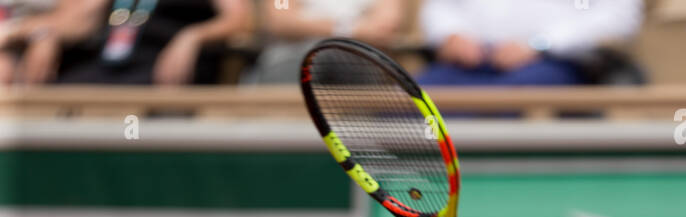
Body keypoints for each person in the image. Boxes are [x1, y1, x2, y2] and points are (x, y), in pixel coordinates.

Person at [10, 0, 251, 86]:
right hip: (106, 67)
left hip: (161, 67)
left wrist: (193, 36)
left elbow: (240, 19)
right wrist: (44, 35)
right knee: (49, 98)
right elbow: (77, 21)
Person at [418, 0, 643, 87]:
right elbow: (441, 7)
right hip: (467, 64)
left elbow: (619, 17)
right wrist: (451, 34)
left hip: (554, 65)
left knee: (498, 105)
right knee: (404, 104)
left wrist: (539, 44)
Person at [244, 0, 406, 84]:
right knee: (311, 58)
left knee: (330, 56)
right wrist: (350, 29)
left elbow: (385, 27)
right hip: (291, 58)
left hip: (356, 59)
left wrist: (306, 25)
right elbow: (280, 20)